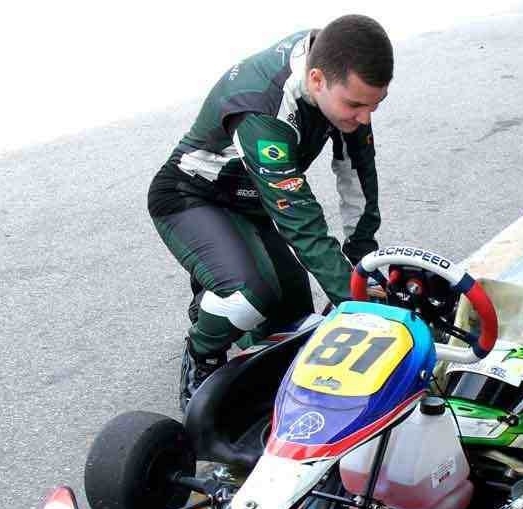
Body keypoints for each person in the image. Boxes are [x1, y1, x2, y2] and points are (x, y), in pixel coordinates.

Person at [147, 15, 391, 410]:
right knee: (252, 293)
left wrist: (363, 266)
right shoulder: (264, 106)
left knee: (292, 328)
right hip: (192, 199)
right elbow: (301, 222)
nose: (365, 118)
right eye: (356, 105)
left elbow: (358, 178)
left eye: (375, 105)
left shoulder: (338, 72)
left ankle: (216, 293)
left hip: (254, 203)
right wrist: (356, 300)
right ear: (316, 80)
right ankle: (202, 352)